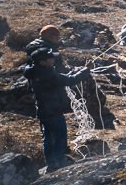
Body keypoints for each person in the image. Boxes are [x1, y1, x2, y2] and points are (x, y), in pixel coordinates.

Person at [22, 41, 88, 172]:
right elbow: (71, 80)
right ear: (42, 61)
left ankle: (52, 164)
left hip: (42, 111)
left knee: (48, 138)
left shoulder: (33, 71)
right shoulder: (48, 74)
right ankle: (60, 163)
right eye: (50, 57)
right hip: (54, 111)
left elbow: (64, 78)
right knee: (59, 137)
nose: (53, 59)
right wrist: (86, 70)